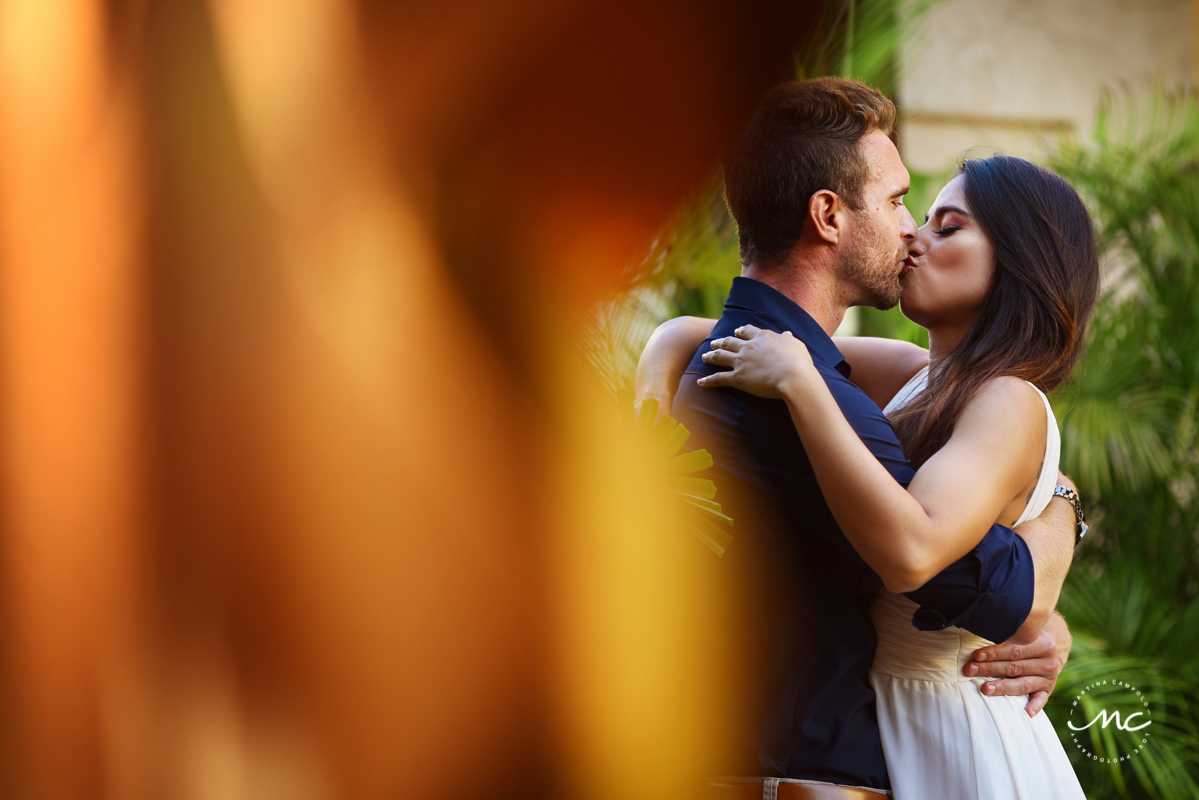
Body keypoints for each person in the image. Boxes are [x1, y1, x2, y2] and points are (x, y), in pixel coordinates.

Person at [634, 79, 1084, 799]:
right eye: (905, 205)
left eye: (944, 224)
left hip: (952, 733)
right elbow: (985, 588)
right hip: (843, 750)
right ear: (827, 216)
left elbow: (968, 541)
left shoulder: (818, 380)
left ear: (1015, 264)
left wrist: (1058, 503)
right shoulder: (878, 377)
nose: (912, 233)